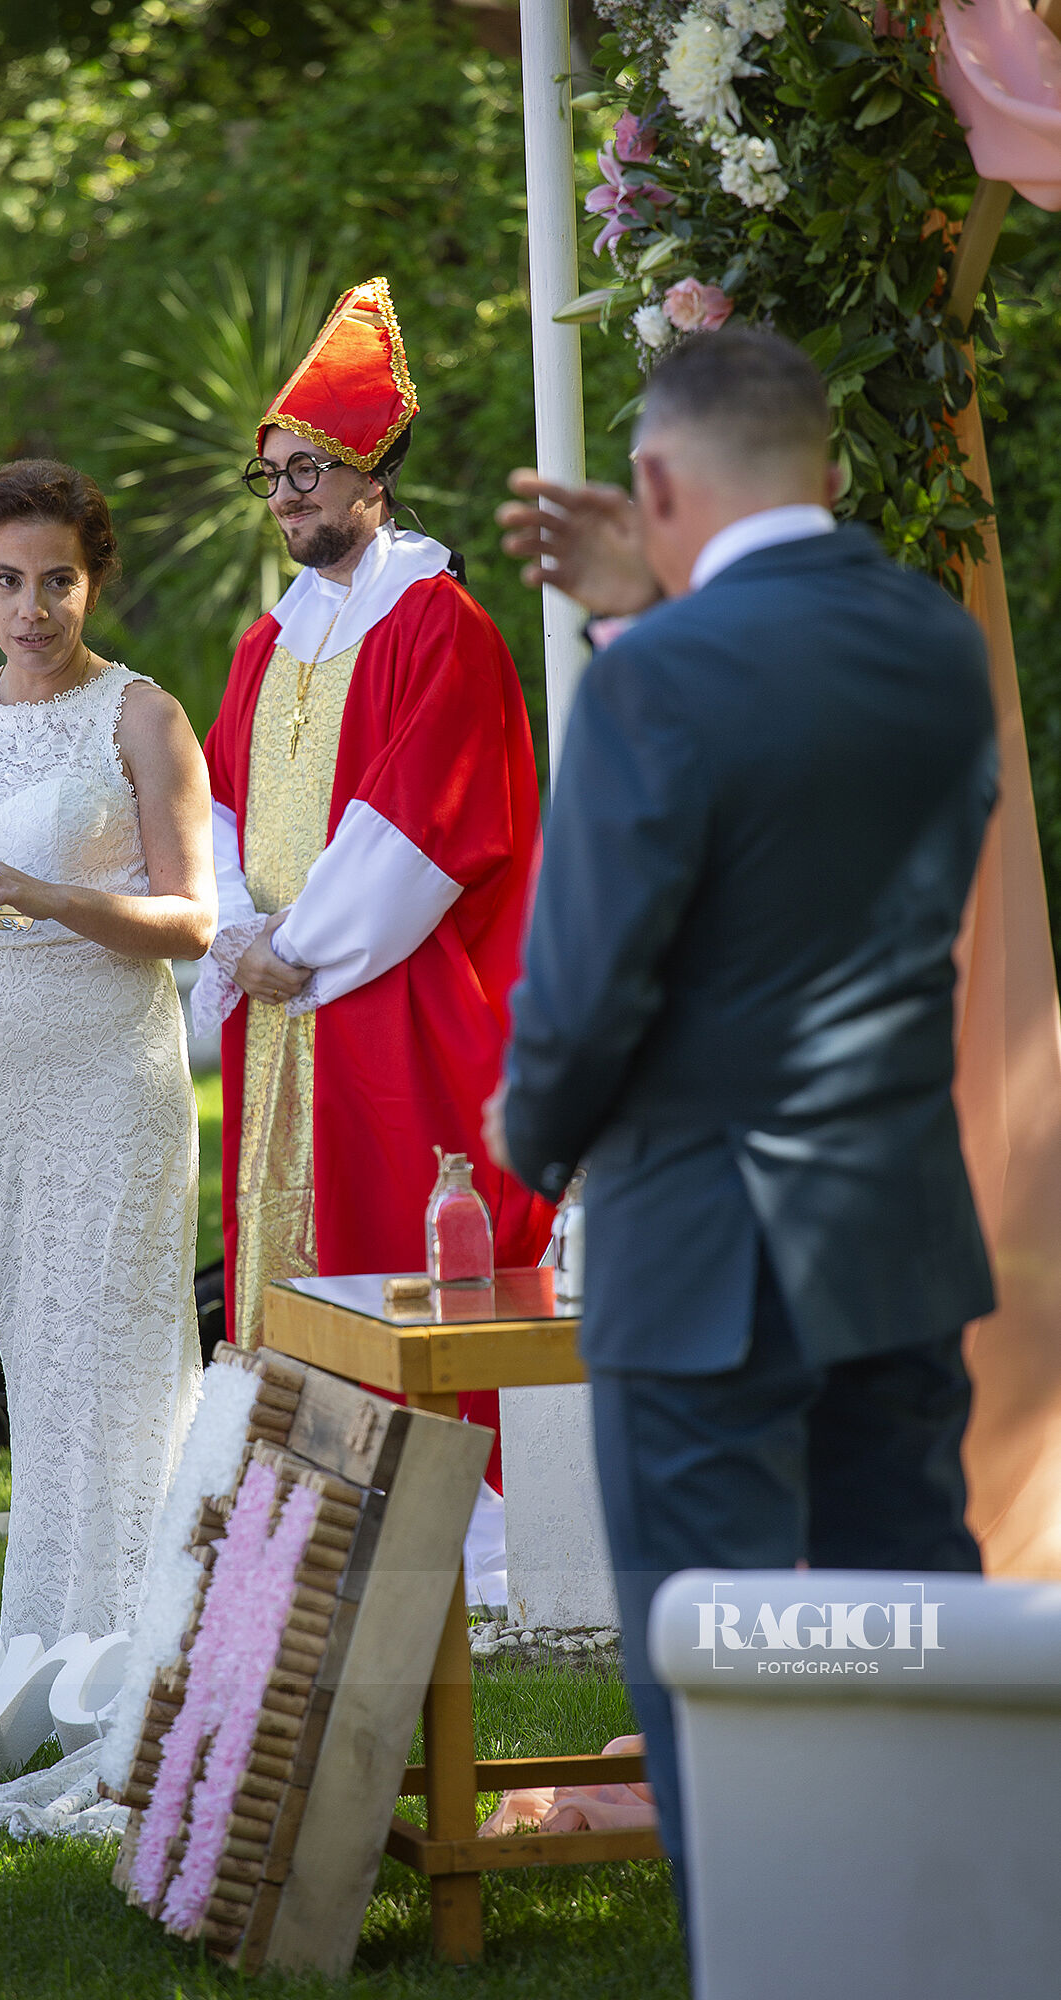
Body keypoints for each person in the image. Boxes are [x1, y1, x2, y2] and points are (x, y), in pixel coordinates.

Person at [484, 328, 998, 1919]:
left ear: (650, 485)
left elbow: (581, 998)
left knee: (710, 1678)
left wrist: (525, 1135)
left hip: (700, 1246)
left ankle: (780, 1952)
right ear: (826, 467)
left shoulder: (656, 679)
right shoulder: (930, 638)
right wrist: (656, 600)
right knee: (913, 1651)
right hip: (893, 1238)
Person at [193, 277, 549, 1517]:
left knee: (400, 1234)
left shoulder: (438, 625)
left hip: (392, 996)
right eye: (274, 475)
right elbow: (218, 808)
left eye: (308, 471)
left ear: (369, 477)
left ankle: (445, 1520)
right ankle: (295, 1507)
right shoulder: (264, 643)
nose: (287, 496)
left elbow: (424, 829)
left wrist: (297, 946)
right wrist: (237, 933)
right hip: (283, 1000)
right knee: (287, 1251)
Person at [0, 458, 215, 1645]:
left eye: (58, 581)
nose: (33, 608)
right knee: (35, 1341)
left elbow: (193, 919)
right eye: (9, 581)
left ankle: (150, 1628)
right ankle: (51, 1628)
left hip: (109, 1062)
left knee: (116, 1343)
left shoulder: (143, 715)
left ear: (94, 583)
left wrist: (50, 896)